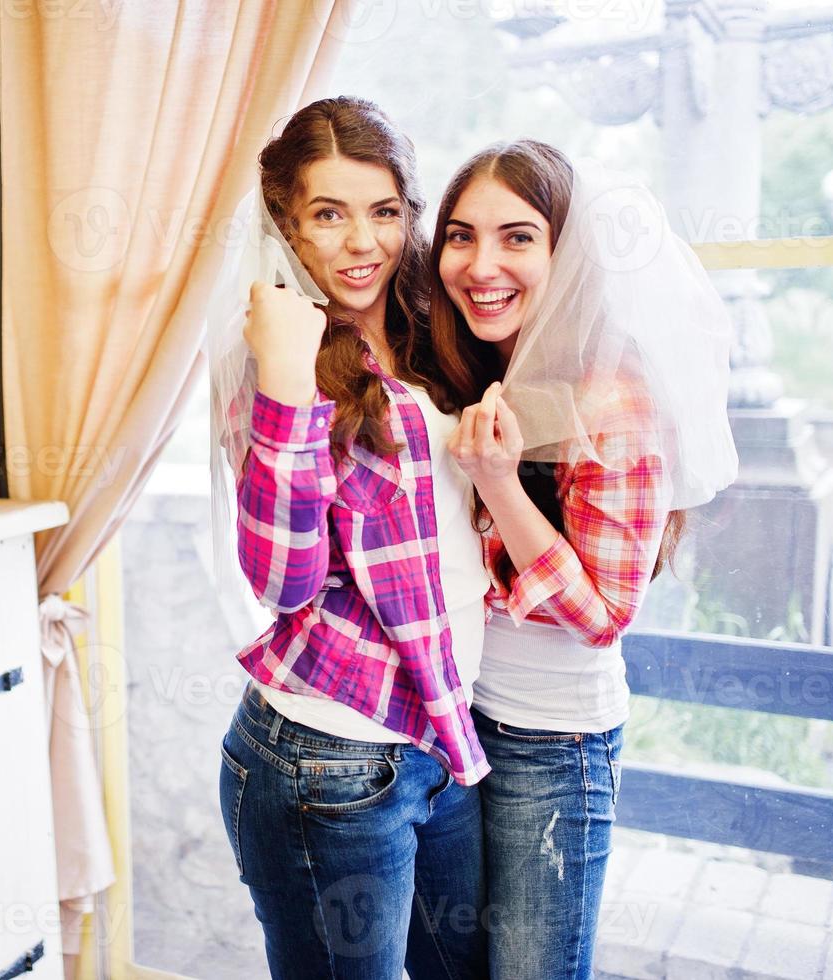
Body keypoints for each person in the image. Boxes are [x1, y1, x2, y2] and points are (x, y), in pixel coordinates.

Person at [426, 140, 737, 978]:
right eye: (460, 235)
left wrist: (496, 482)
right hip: (449, 726)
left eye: (517, 237)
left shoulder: (613, 395)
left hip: (551, 743)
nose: (480, 264)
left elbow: (602, 616)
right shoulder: (469, 365)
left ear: (568, 253)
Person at [208, 96, 491, 980]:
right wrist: (289, 379)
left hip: (435, 735)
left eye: (383, 212)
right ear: (284, 222)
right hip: (324, 759)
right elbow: (282, 580)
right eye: (328, 215)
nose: (361, 243)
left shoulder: (428, 333)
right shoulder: (274, 356)